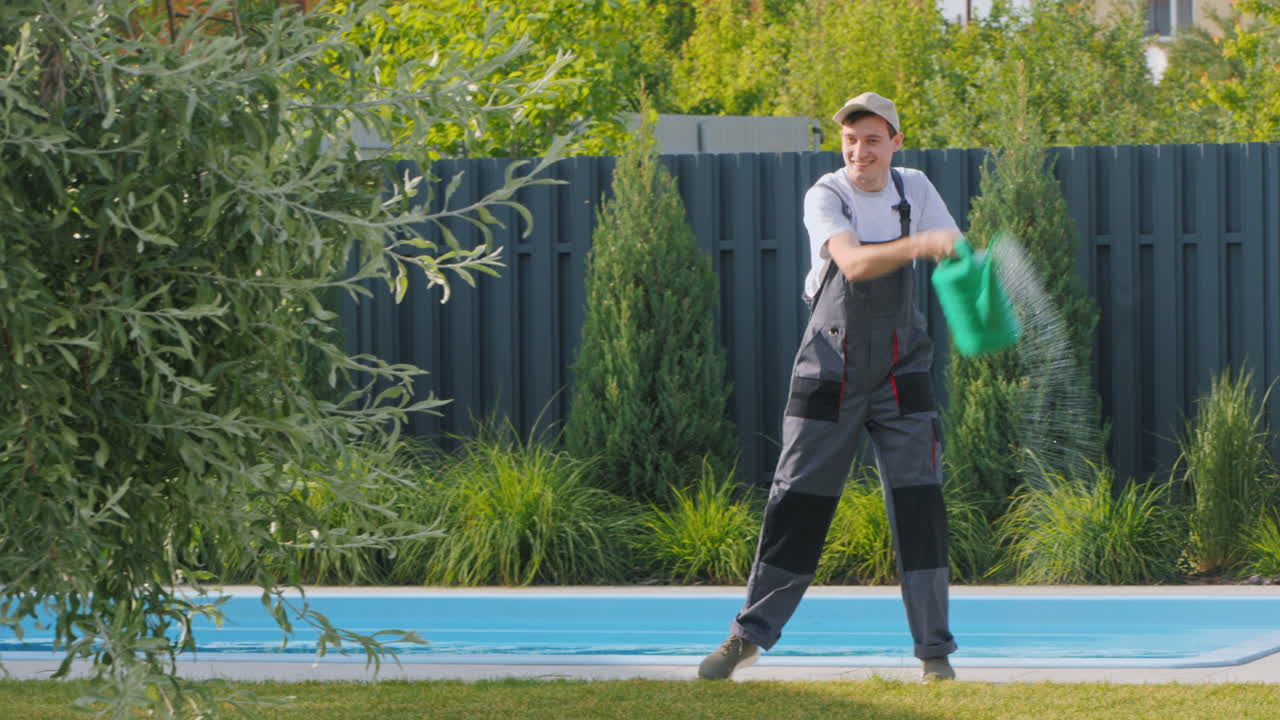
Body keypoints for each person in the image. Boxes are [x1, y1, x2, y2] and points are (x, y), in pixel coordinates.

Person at [698, 92, 960, 683]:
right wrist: (924, 244)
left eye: (872, 139)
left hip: (903, 372)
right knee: (797, 504)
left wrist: (968, 267)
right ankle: (747, 638)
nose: (859, 150)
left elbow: (954, 249)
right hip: (829, 372)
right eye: (850, 139)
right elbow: (855, 263)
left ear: (895, 141)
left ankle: (935, 656)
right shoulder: (827, 194)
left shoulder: (912, 188)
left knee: (921, 508)